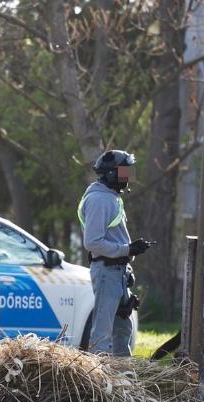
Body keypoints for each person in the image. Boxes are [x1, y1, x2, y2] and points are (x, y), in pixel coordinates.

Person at [78, 150, 152, 356]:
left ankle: (123, 378)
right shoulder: (100, 200)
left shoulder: (110, 197)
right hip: (107, 271)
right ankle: (98, 382)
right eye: (124, 171)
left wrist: (129, 254)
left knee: (123, 328)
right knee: (102, 332)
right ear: (111, 173)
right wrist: (127, 249)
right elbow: (92, 242)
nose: (128, 176)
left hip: (118, 271)